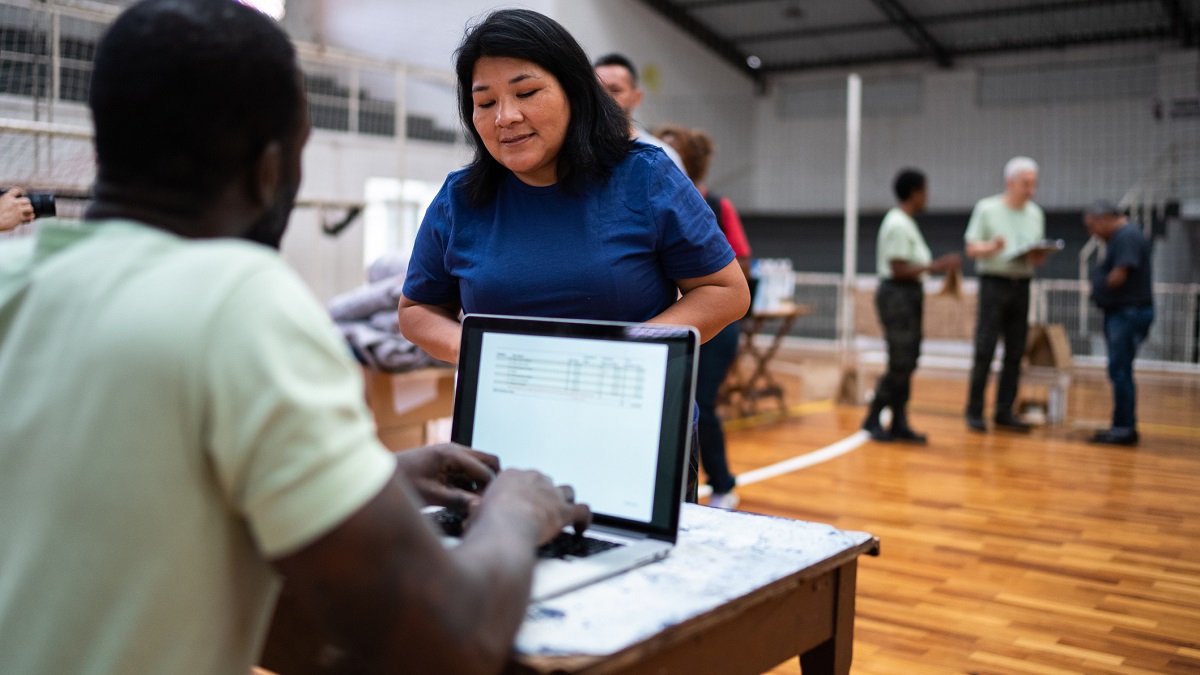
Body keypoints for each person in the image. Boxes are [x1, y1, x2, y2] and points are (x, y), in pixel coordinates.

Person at [0, 2, 590, 674]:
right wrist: (514, 512)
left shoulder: (12, 277)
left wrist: (373, 480)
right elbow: (450, 641)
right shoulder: (237, 303)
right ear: (272, 166)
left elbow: (109, 495)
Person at [398, 10, 750, 502]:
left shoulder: (645, 178)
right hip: (502, 439)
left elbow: (725, 291)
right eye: (485, 102)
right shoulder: (459, 199)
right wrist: (480, 350)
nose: (506, 117)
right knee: (508, 571)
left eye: (526, 93)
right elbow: (417, 310)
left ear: (573, 91)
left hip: (637, 433)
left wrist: (620, 353)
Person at [655, 124, 749, 509]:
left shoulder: (717, 204)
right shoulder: (652, 196)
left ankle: (724, 483)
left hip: (711, 321)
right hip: (667, 321)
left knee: (701, 402)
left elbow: (740, 261)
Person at [861, 169, 961, 444]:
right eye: (925, 191)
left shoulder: (906, 222)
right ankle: (873, 417)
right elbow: (897, 267)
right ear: (914, 192)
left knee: (909, 358)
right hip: (898, 296)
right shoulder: (897, 224)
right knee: (901, 361)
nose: (927, 197)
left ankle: (899, 422)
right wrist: (937, 265)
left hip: (908, 295)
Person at [963, 156, 1048, 433]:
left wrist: (1037, 255)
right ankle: (975, 411)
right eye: (1025, 183)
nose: (1030, 190)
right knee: (985, 348)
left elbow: (1036, 254)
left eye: (1033, 184)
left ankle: (1004, 411)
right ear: (1010, 182)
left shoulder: (1035, 213)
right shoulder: (987, 209)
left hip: (1021, 285)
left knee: (1015, 351)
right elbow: (972, 248)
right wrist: (992, 247)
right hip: (993, 284)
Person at [1083, 200, 1155, 446]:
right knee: (1120, 370)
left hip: (1127, 314)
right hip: (1126, 313)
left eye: (1093, 226)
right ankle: (1120, 425)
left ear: (1104, 219)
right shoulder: (1124, 236)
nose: (1092, 232)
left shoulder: (1126, 237)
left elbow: (1119, 275)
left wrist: (1101, 286)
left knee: (1121, 370)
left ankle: (1123, 428)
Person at [593, 52, 686, 172]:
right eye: (597, 90)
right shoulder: (574, 152)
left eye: (615, 90)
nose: (604, 97)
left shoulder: (659, 158)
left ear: (636, 97)